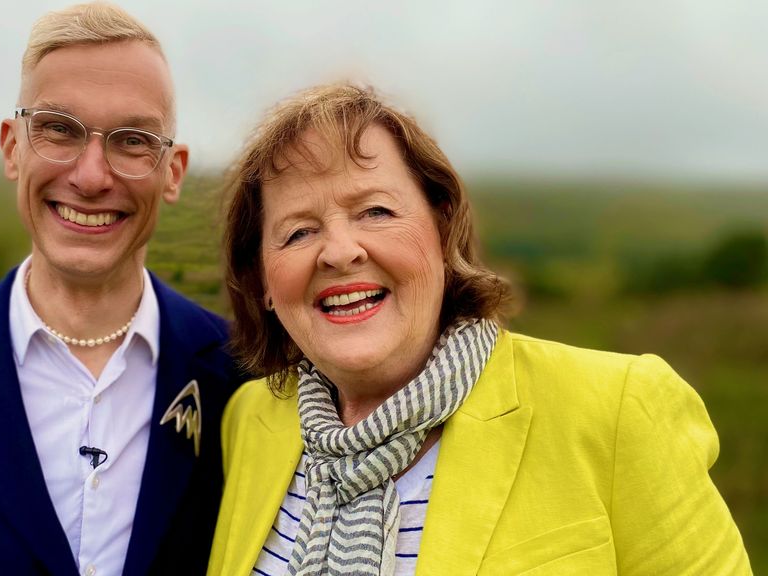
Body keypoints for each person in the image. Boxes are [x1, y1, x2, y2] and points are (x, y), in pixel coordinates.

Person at [208, 83, 752, 576]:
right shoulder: (250, 421)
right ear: (263, 283)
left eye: (374, 211)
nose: (341, 251)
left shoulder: (618, 411)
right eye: (299, 232)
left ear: (442, 230)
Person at [0, 3, 242, 575]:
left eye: (132, 140)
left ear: (173, 171)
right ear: (13, 147)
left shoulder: (247, 379)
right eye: (58, 129)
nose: (90, 176)